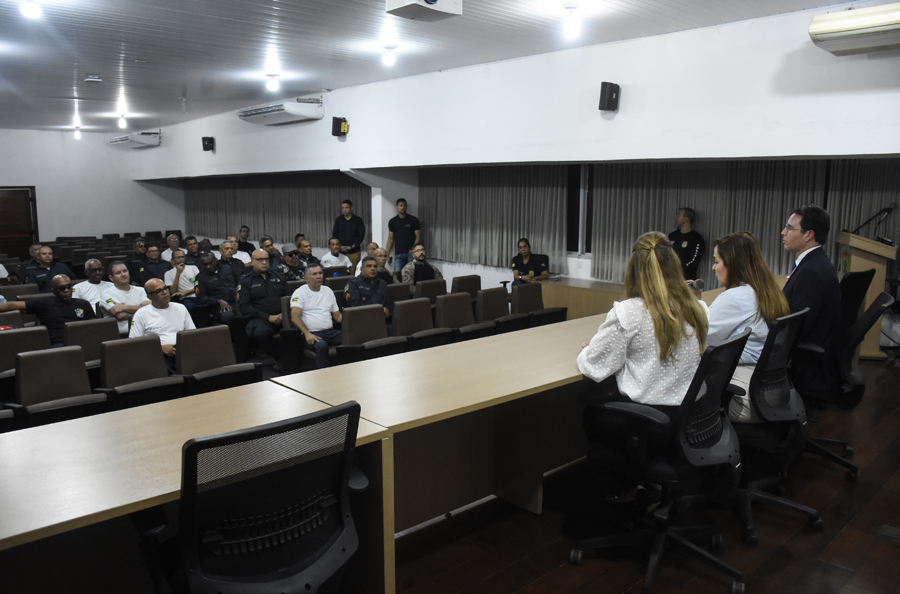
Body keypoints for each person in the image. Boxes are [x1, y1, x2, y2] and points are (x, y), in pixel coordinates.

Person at [576, 231, 708, 449]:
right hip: (693, 418)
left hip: (649, 423)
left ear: (634, 269)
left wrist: (587, 350)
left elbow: (594, 367)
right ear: (674, 264)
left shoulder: (628, 312)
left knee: (590, 410)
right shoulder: (698, 309)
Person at [703, 232, 790, 422]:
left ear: (732, 264)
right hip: (770, 391)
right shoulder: (768, 291)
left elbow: (699, 341)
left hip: (742, 397)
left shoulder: (735, 298)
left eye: (717, 261)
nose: (713, 267)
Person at [781, 204, 842, 395]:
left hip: (808, 368)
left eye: (790, 228)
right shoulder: (817, 263)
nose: (783, 232)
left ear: (808, 235)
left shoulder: (812, 272)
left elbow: (797, 327)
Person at [0, 275, 95, 346]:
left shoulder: (83, 304)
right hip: (58, 344)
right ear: (53, 291)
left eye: (69, 287)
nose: (66, 290)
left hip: (82, 340)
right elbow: (12, 305)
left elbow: (93, 325)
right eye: (62, 288)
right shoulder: (44, 303)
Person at [130, 279, 196, 374]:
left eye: (165, 288)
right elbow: (134, 344)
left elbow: (192, 334)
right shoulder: (141, 314)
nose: (165, 292)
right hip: (157, 354)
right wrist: (160, 348)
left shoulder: (180, 308)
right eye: (158, 291)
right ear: (149, 297)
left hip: (182, 350)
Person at [237, 249, 291, 361]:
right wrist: (268, 317)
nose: (264, 262)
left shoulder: (278, 277)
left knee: (299, 324)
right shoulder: (246, 281)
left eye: (266, 259)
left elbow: (288, 298)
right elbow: (244, 307)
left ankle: (294, 356)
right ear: (252, 261)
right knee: (261, 332)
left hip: (281, 316)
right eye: (260, 260)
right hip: (260, 318)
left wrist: (284, 314)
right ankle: (279, 358)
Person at [290, 264, 342, 369]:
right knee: (322, 346)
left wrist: (351, 322)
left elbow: (337, 316)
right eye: (314, 274)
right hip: (312, 333)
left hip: (331, 332)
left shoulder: (328, 291)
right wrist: (307, 334)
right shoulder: (300, 293)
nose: (318, 276)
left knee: (353, 338)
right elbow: (294, 317)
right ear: (306, 279)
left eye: (320, 273)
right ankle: (324, 374)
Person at [101, 260, 150, 337]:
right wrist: (141, 310)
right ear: (111, 278)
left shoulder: (141, 290)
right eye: (118, 273)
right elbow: (121, 315)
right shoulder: (106, 294)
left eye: (125, 271)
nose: (123, 274)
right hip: (121, 335)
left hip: (144, 331)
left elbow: (149, 309)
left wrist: (124, 307)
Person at [194, 251, 237, 325]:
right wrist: (218, 301)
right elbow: (201, 298)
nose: (208, 266)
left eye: (210, 263)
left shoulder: (227, 268)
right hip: (219, 306)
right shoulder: (200, 277)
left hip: (236, 300)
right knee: (227, 316)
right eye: (205, 264)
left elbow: (239, 282)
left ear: (216, 260)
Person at [668, 207, 705, 280]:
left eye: (679, 215)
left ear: (686, 219)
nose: (676, 218)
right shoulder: (672, 236)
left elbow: (694, 261)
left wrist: (679, 270)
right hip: (670, 277)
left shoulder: (697, 238)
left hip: (687, 278)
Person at [386, 198, 421, 273]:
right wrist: (387, 254)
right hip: (398, 254)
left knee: (410, 274)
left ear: (406, 207)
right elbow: (391, 238)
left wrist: (414, 250)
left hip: (410, 253)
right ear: (397, 207)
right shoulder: (392, 221)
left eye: (404, 206)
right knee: (397, 275)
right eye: (401, 205)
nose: (403, 207)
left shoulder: (413, 220)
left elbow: (418, 236)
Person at [332, 199, 366, 269]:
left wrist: (351, 247)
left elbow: (361, 236)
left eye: (346, 208)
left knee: (354, 270)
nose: (344, 210)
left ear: (351, 208)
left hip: (354, 252)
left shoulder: (358, 220)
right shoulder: (339, 220)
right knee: (341, 270)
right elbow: (335, 235)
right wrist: (340, 246)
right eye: (343, 208)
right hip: (341, 251)